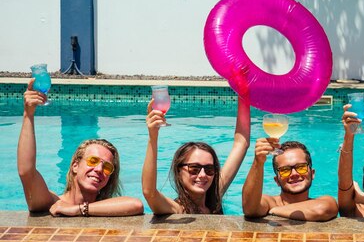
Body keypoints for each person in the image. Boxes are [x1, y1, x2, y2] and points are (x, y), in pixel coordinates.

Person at [18, 79, 144, 217]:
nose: (99, 169)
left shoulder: (107, 206)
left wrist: (79, 209)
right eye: (93, 161)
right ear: (75, 166)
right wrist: (28, 114)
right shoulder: (53, 202)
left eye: (107, 167)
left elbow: (136, 204)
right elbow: (27, 172)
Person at [142, 95, 251, 214]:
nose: (203, 175)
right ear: (179, 171)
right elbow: (149, 192)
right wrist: (153, 136)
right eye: (194, 169)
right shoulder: (177, 210)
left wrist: (243, 92)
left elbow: (241, 144)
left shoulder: (214, 198)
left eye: (209, 169)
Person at [242, 139, 338, 221]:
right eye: (285, 170)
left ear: (312, 174)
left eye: (301, 167)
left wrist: (274, 210)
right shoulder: (269, 202)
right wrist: (258, 162)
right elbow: (250, 209)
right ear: (277, 180)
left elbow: (321, 210)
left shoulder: (325, 201)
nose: (294, 174)